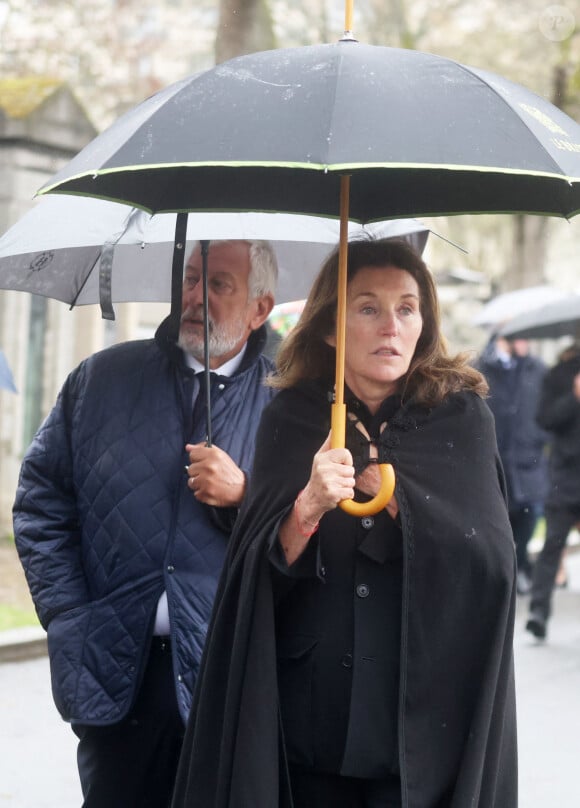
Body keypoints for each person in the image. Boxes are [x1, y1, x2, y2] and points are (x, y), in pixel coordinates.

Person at [172, 238, 518, 808]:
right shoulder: (293, 416)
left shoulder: (460, 419)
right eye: (368, 308)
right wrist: (305, 508)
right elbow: (257, 576)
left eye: (406, 308)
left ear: (423, 324)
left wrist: (402, 505)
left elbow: (491, 567)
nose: (390, 325)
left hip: (418, 736)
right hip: (310, 730)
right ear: (331, 329)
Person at [12, 239, 277, 808]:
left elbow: (314, 531)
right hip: (117, 675)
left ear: (261, 308)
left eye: (219, 285)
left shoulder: (293, 400)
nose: (195, 297)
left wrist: (246, 494)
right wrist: (69, 617)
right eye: (188, 279)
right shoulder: (101, 380)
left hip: (231, 680)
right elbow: (41, 504)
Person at [477, 335, 548, 595]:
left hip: (529, 460)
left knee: (530, 518)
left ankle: (520, 568)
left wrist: (537, 437)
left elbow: (547, 411)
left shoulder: (537, 369)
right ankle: (507, 573)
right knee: (499, 523)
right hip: (494, 460)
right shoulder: (481, 368)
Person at [526, 341, 580, 640]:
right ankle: (538, 613)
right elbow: (544, 418)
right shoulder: (560, 375)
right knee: (552, 547)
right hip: (566, 478)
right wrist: (574, 397)